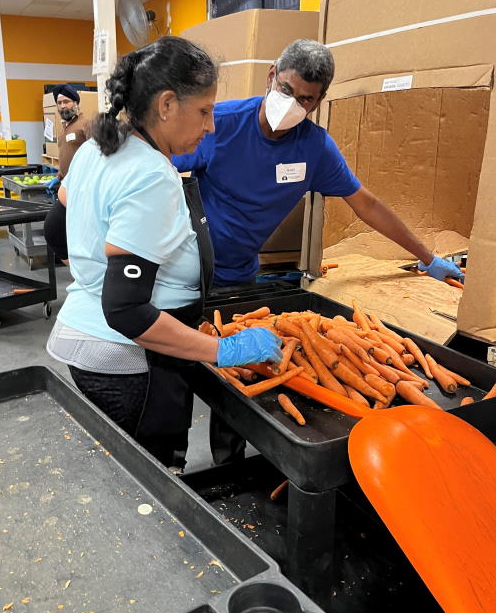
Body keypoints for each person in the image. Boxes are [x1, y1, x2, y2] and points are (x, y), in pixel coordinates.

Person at [172, 38, 464, 464]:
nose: (291, 103)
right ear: (272, 76)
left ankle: (229, 462)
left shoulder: (313, 147)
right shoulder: (220, 123)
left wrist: (427, 257)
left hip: (240, 276)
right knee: (179, 369)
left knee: (239, 375)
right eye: (286, 90)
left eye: (305, 99)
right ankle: (170, 461)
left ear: (319, 100)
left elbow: (366, 204)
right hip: (186, 272)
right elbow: (160, 172)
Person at [43, 37, 282, 473]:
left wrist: (91, 272)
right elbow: (127, 311)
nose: (210, 126)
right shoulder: (151, 175)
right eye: (205, 111)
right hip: (131, 365)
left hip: (85, 345)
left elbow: (54, 230)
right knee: (147, 481)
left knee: (118, 475)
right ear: (168, 104)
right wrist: (220, 350)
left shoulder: (97, 149)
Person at [52, 83, 90, 180]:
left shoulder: (86, 124)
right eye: (59, 103)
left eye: (66, 102)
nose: (62, 106)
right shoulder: (63, 129)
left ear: (75, 103)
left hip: (83, 181)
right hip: (67, 183)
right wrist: (59, 176)